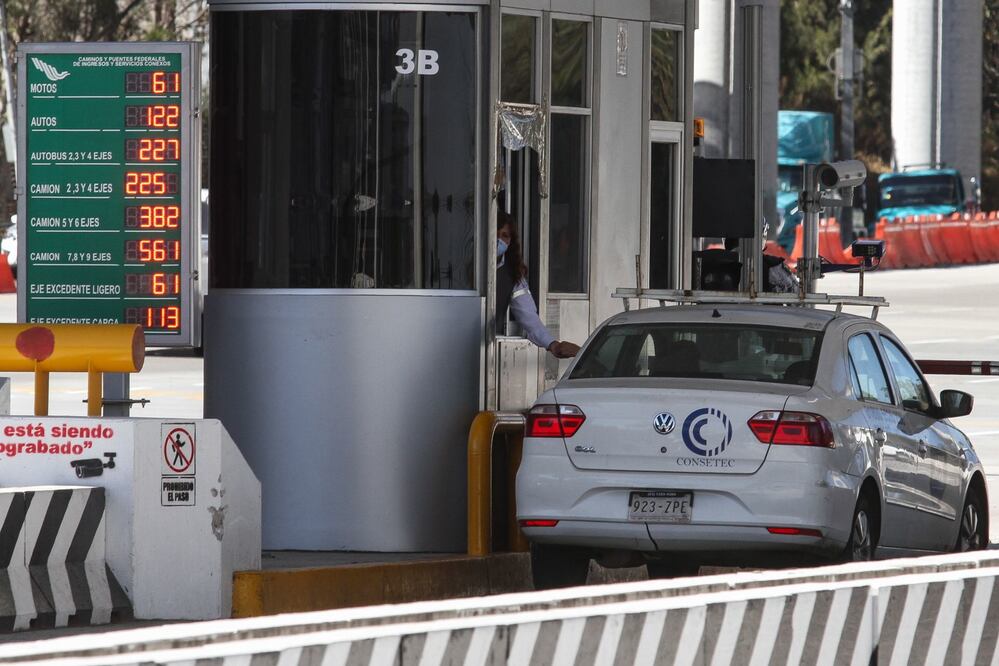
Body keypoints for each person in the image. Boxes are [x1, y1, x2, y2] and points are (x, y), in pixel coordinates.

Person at [497, 212, 580, 359]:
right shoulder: (466, 262)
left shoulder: (513, 274)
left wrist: (553, 344)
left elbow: (529, 317)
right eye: (495, 233)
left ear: (511, 242)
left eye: (504, 236)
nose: (498, 240)